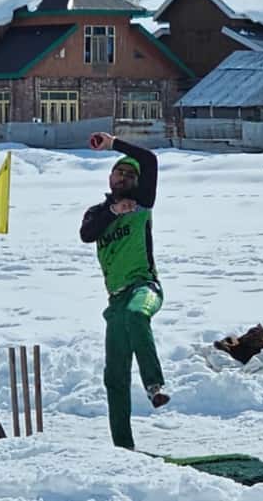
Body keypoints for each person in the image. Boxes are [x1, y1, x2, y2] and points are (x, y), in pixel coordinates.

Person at [80, 131, 169, 450]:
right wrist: (112, 212)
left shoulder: (142, 203)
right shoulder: (97, 213)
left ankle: (154, 385)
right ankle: (123, 448)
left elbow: (150, 160)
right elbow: (87, 234)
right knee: (114, 375)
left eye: (131, 174)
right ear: (110, 176)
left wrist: (113, 143)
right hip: (115, 299)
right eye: (120, 170)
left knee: (137, 314)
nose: (125, 176)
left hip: (145, 286)